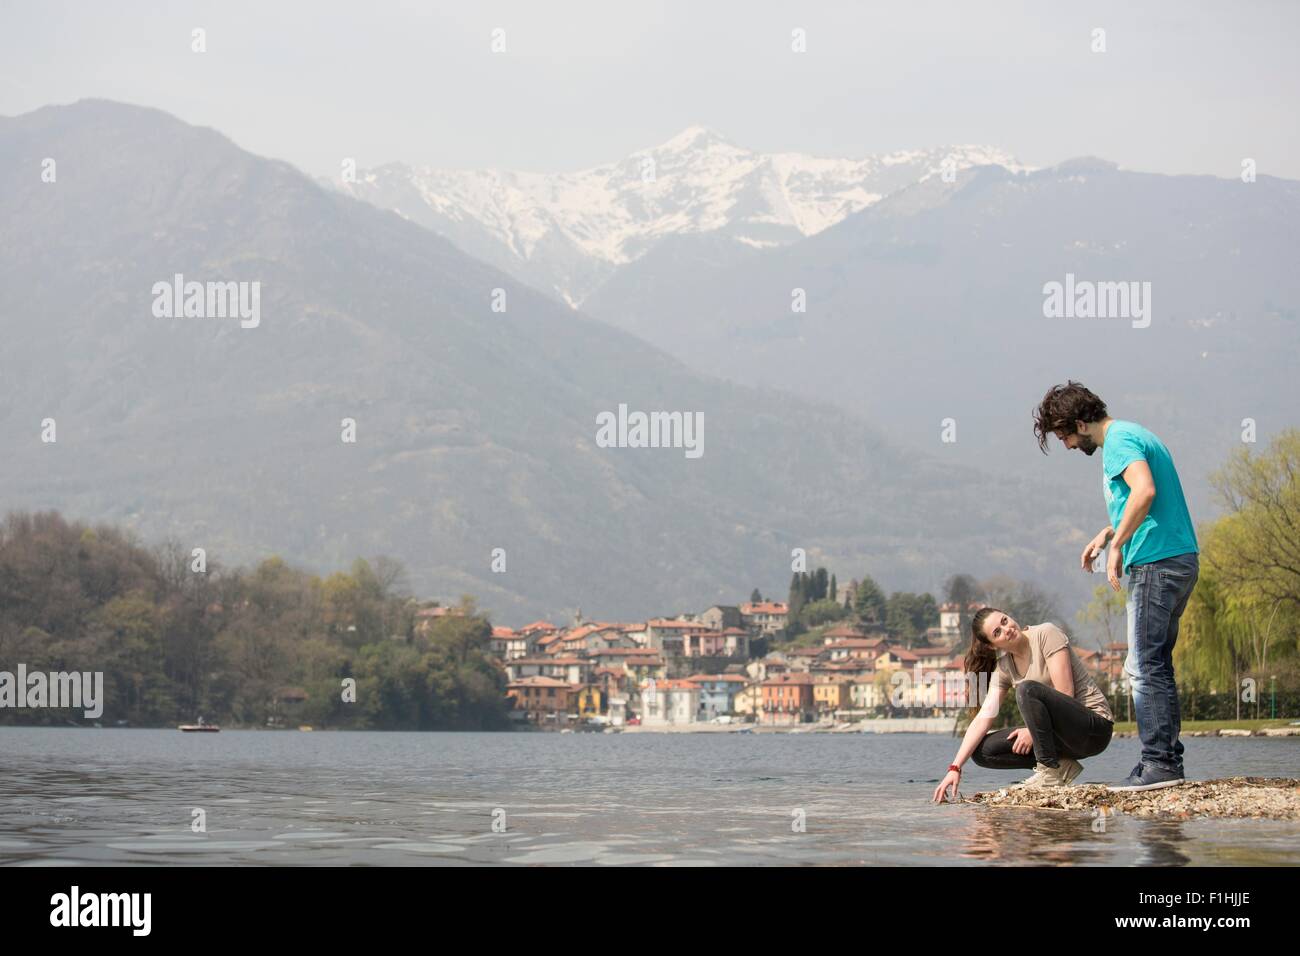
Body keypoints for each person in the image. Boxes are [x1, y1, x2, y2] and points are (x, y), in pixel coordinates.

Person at [1032, 381, 1199, 791]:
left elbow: (1145, 491)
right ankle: (1162, 762)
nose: (1068, 445)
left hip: (1158, 564)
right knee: (1156, 663)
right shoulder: (1133, 433)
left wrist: (1120, 544)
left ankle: (1159, 764)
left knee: (1143, 667)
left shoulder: (1119, 442)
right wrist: (1111, 534)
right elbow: (1141, 502)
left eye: (1065, 435)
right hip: (1176, 558)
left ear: (1080, 422)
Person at [932, 607, 1114, 803]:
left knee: (1026, 689)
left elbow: (1066, 694)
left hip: (1093, 729)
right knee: (983, 751)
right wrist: (955, 767)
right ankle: (1061, 766)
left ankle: (1049, 773)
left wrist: (1030, 731)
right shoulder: (1004, 667)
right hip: (1062, 740)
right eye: (997, 632)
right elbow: (984, 718)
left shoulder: (1046, 633)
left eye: (1004, 621)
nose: (1007, 629)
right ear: (992, 646)